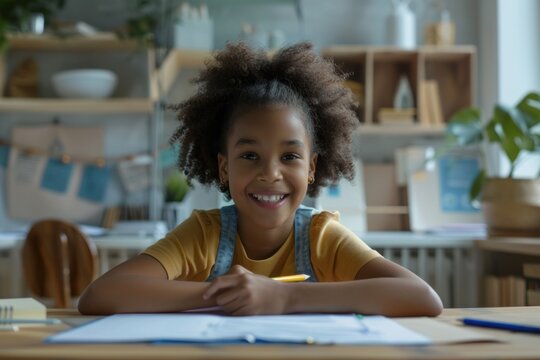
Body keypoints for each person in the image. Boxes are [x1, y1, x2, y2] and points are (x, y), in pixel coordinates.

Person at [79, 42, 442, 317]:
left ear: (312, 168)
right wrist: (228, 293)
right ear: (224, 167)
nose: (270, 173)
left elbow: (422, 298)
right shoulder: (204, 235)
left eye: (290, 157)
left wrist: (283, 297)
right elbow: (101, 295)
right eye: (249, 156)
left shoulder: (322, 238)